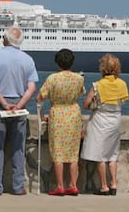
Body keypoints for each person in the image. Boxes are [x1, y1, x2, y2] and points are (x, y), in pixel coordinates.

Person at [0, 27, 38, 196]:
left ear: (5, 39)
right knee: (18, 147)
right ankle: (18, 187)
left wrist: (4, 104)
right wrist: (19, 105)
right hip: (20, 106)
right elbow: (32, 87)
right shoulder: (28, 60)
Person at [36, 48, 85, 196]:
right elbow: (81, 92)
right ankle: (73, 185)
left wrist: (41, 115)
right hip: (74, 115)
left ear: (57, 63)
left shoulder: (52, 79)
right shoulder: (79, 78)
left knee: (58, 152)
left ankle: (60, 186)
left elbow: (39, 98)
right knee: (73, 153)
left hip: (57, 115)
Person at [80, 54, 129, 196]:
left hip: (100, 120)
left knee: (100, 154)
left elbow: (86, 104)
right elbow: (122, 101)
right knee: (113, 154)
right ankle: (114, 184)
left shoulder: (98, 85)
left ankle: (104, 186)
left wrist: (93, 104)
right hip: (115, 120)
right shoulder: (122, 84)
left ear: (102, 67)